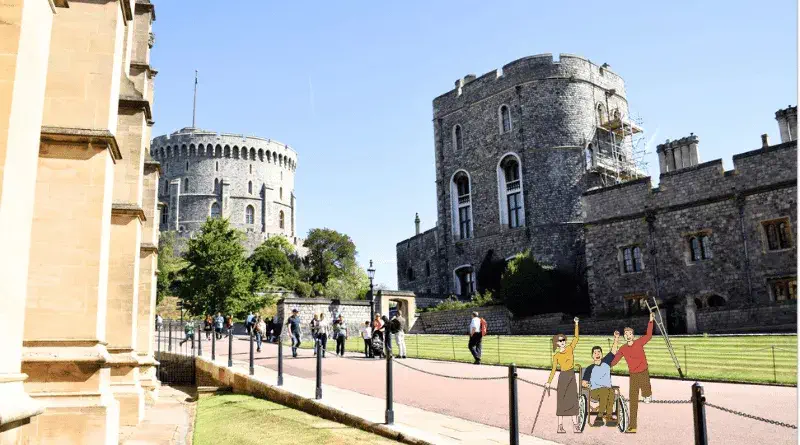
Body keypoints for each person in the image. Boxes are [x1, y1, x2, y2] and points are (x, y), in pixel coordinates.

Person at [610, 312, 655, 434]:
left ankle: (647, 393)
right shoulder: (623, 348)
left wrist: (651, 321)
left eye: (630, 334)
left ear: (633, 335)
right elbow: (614, 361)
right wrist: (605, 365)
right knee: (633, 401)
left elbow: (649, 335)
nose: (628, 336)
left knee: (646, 392)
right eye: (626, 334)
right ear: (624, 337)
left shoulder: (639, 342)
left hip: (643, 372)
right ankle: (633, 425)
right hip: (633, 375)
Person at [546, 317, 581, 434]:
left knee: (573, 401)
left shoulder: (570, 348)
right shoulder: (556, 356)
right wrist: (549, 382)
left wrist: (576, 324)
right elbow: (554, 369)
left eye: (564, 340)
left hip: (571, 376)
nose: (562, 342)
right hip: (563, 377)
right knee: (561, 401)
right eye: (560, 341)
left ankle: (575, 425)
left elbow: (576, 338)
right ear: (556, 342)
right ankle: (560, 426)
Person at [581, 335, 620, 427]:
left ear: (602, 355)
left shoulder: (606, 362)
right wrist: (588, 386)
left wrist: (616, 338)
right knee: (605, 391)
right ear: (592, 356)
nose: (597, 354)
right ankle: (601, 416)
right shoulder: (590, 368)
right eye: (595, 353)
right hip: (595, 391)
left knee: (609, 391)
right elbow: (583, 382)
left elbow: (613, 351)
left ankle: (606, 417)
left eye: (599, 352)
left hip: (608, 390)